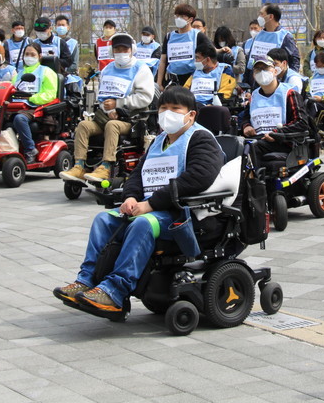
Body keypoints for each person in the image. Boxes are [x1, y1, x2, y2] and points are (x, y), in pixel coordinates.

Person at [53, 86, 223, 316]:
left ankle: (115, 291)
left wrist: (150, 204)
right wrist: (131, 197)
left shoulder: (201, 138)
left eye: (175, 109)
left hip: (180, 213)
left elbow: (199, 177)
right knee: (104, 219)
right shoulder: (158, 140)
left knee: (143, 224)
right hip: (149, 206)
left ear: (191, 114)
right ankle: (86, 280)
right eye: (163, 108)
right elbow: (138, 174)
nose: (167, 113)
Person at [61, 34, 155, 184]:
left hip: (131, 119)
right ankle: (79, 166)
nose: (121, 52)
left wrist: (118, 104)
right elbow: (102, 95)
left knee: (112, 126)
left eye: (125, 49)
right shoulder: (107, 69)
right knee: (83, 125)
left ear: (131, 50)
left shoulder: (141, 69)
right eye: (117, 49)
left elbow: (145, 97)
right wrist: (106, 109)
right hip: (105, 116)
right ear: (112, 51)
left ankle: (105, 166)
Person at [240, 57, 309, 164]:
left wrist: (277, 133)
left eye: (265, 69)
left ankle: (252, 180)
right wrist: (246, 126)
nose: (262, 73)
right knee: (236, 145)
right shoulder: (254, 96)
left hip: (283, 141)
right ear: (254, 75)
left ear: (275, 71)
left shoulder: (289, 94)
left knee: (251, 148)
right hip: (258, 138)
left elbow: (301, 122)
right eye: (257, 70)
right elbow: (246, 117)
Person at [8, 43, 59, 162]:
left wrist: (31, 98)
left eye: (32, 54)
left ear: (39, 56)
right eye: (26, 54)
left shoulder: (46, 72)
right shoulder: (19, 74)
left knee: (19, 119)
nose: (29, 57)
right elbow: (12, 90)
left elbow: (50, 94)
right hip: (17, 105)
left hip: (36, 107)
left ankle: (30, 149)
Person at [184, 43, 236, 134]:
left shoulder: (225, 70)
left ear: (207, 59)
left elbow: (225, 93)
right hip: (191, 105)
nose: (195, 61)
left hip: (210, 107)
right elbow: (185, 89)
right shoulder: (196, 72)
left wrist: (210, 105)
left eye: (198, 58)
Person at [244, 3, 300, 86]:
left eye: (262, 14)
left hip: (275, 85)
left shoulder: (285, 36)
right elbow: (250, 60)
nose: (259, 17)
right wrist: (246, 83)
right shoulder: (258, 36)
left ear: (271, 17)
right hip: (256, 83)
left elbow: (294, 61)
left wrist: (289, 81)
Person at [157, 4, 213, 86]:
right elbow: (163, 61)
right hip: (173, 80)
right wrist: (159, 82)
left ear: (190, 19)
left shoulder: (198, 35)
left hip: (192, 79)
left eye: (182, 16)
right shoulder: (169, 37)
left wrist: (222, 50)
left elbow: (211, 52)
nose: (179, 19)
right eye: (177, 16)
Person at [55, 15, 80, 81]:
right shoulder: (52, 41)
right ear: (55, 27)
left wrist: (63, 70)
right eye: (59, 25)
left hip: (68, 76)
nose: (61, 27)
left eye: (63, 25)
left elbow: (74, 64)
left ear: (68, 27)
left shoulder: (73, 43)